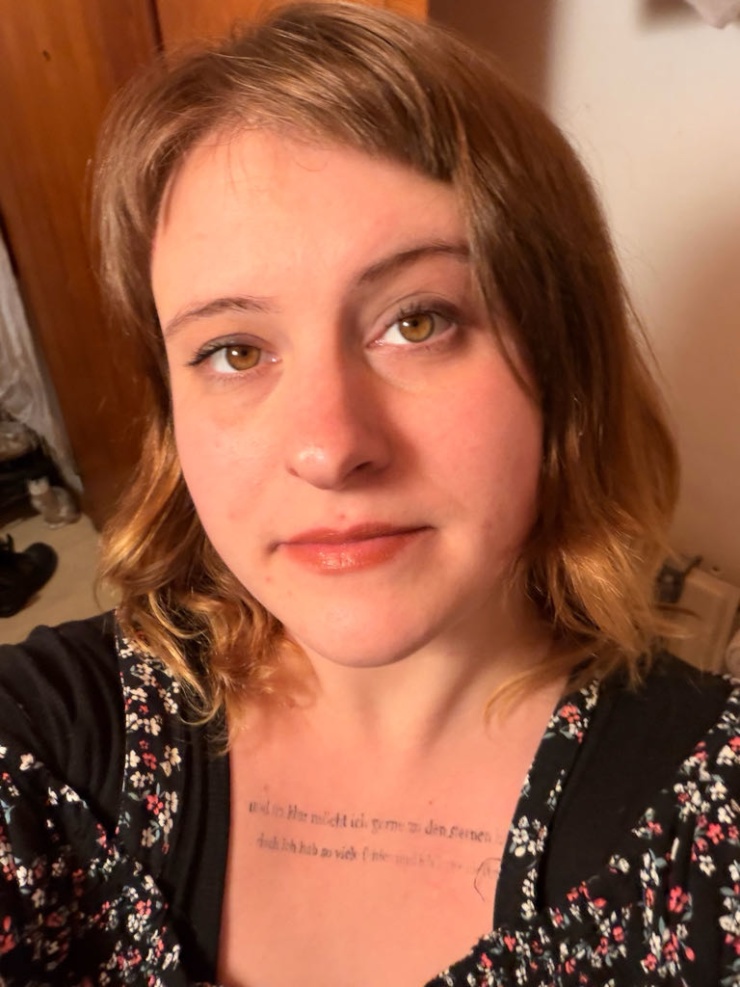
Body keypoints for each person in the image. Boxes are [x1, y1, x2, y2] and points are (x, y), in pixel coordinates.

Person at [1, 3, 738, 984]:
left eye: (417, 322)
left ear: (565, 365)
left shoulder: (707, 817)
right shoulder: (54, 740)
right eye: (234, 350)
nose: (328, 448)